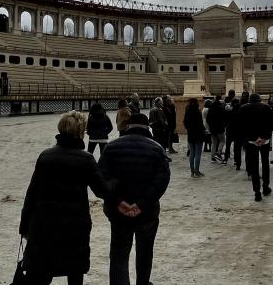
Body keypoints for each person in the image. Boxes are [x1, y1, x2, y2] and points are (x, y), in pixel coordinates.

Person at [19, 111, 114, 285]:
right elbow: (103, 191)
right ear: (80, 131)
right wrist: (114, 181)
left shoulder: (45, 156)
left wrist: (24, 226)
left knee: (42, 272)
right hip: (74, 226)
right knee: (74, 271)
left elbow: (31, 194)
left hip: (44, 225)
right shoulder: (86, 159)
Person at [100, 113, 171, 285]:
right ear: (147, 128)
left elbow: (101, 180)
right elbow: (162, 180)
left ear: (127, 126)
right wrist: (141, 204)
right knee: (145, 252)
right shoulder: (156, 148)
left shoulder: (111, 147)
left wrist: (119, 202)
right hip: (147, 212)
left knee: (118, 253)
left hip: (118, 211)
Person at [239, 93, 273, 201]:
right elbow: (270, 124)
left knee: (254, 166)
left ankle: (257, 192)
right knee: (265, 163)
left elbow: (241, 125)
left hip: (251, 140)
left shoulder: (243, 108)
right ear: (259, 99)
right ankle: (266, 187)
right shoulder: (266, 107)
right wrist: (265, 137)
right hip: (264, 140)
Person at [184, 98, 207, 177]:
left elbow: (185, 122)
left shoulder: (187, 111)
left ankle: (192, 172)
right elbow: (200, 124)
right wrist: (204, 130)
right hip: (198, 135)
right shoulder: (197, 112)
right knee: (197, 154)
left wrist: (189, 129)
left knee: (192, 154)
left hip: (191, 134)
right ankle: (197, 171)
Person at [148, 98, 170, 163]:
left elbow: (150, 121)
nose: (162, 103)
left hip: (155, 130)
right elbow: (161, 121)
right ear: (158, 103)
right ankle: (163, 157)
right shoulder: (158, 110)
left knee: (157, 143)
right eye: (161, 102)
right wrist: (165, 125)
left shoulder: (152, 110)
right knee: (162, 144)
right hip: (160, 130)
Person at [207, 95, 227, 163]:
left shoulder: (211, 107)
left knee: (214, 143)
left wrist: (210, 125)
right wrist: (224, 125)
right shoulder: (221, 107)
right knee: (222, 141)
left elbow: (208, 119)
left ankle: (213, 158)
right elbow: (224, 118)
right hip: (220, 128)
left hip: (212, 128)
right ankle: (218, 153)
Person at [225, 97, 243, 170]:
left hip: (230, 131)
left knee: (228, 145)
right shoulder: (241, 111)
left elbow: (226, 120)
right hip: (238, 132)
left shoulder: (229, 111)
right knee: (237, 148)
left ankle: (225, 158)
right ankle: (237, 163)